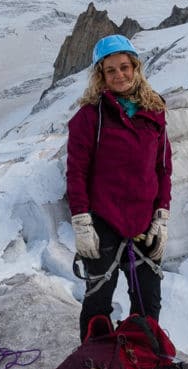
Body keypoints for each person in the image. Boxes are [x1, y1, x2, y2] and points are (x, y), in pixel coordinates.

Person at [66, 34, 172, 342]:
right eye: (110, 70)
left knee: (149, 301)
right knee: (99, 299)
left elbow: (163, 167)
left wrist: (162, 214)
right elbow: (77, 173)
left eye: (125, 67)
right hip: (103, 220)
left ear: (136, 68)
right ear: (100, 75)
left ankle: (142, 359)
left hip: (144, 220)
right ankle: (95, 363)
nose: (119, 75)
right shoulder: (89, 117)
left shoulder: (154, 111)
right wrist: (81, 221)